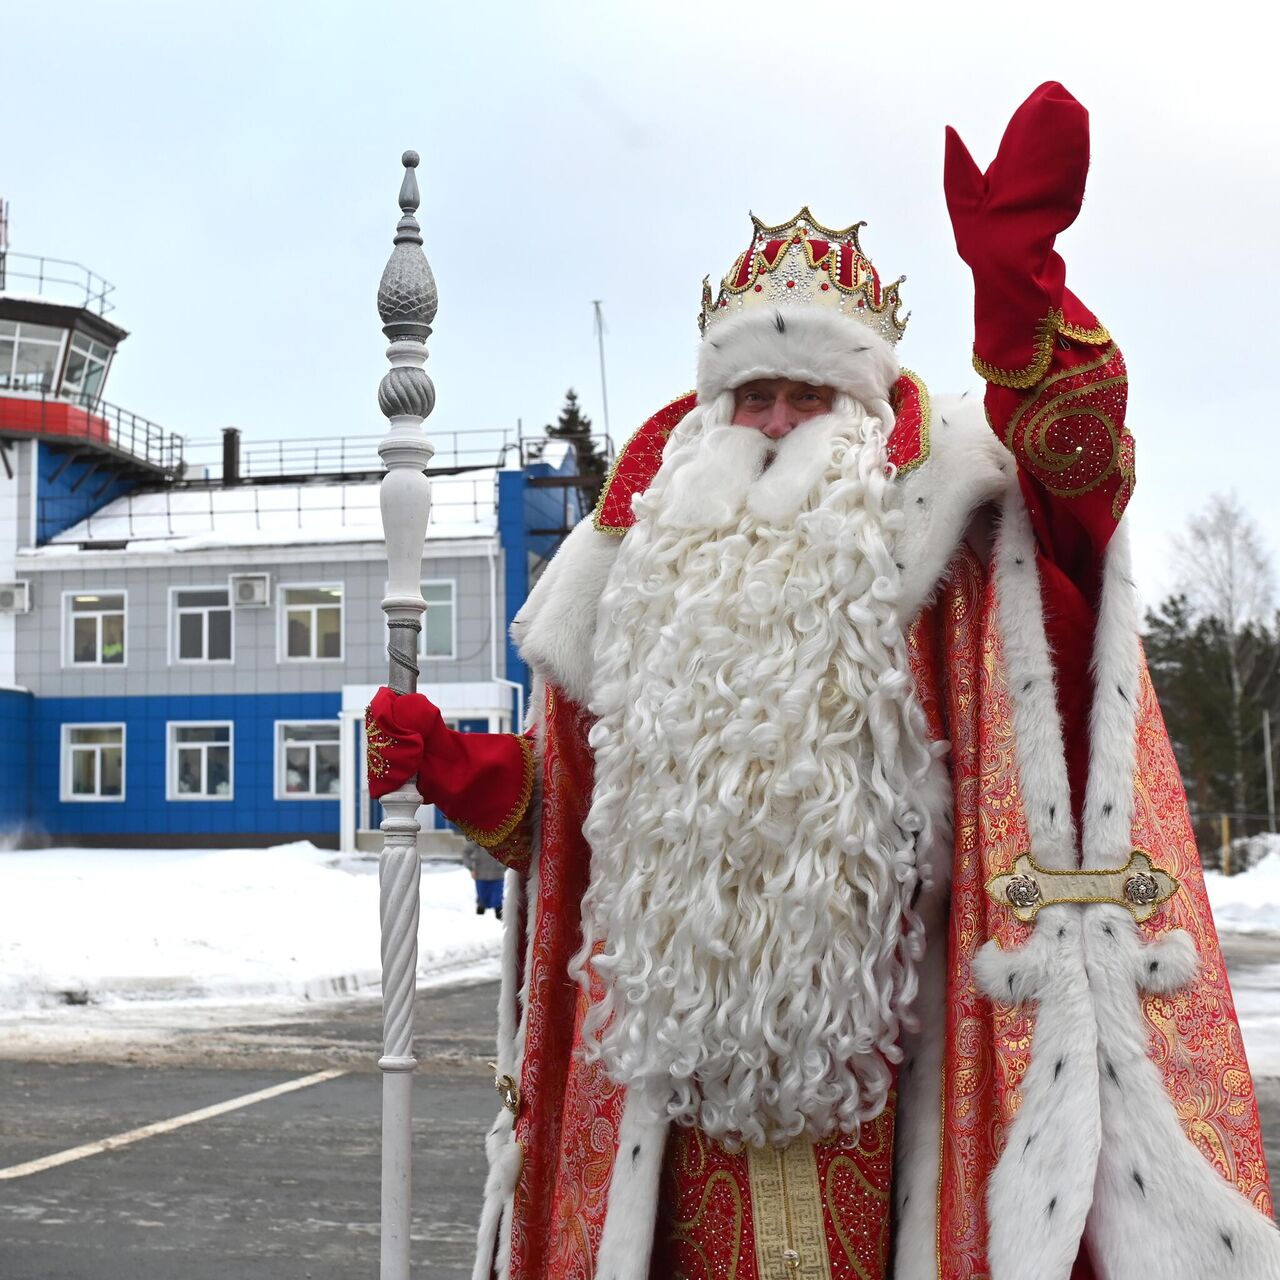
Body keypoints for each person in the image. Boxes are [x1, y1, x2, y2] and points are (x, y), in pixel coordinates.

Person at [366, 84, 1278, 1280]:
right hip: (675, 1101)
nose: (778, 424)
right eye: (753, 395)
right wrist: (457, 766)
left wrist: (1023, 319)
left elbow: (1077, 513)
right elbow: (570, 811)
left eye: (809, 397)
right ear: (712, 409)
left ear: (861, 412)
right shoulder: (640, 567)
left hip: (893, 1078)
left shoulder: (940, 540)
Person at [464, 837, 506, 919]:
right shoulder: (478, 835)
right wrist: (471, 868)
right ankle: (479, 921)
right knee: (482, 901)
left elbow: (511, 851)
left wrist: (505, 866)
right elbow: (466, 852)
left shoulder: (503, 834)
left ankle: (499, 922)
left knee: (498, 901)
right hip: (481, 874)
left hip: (497, 875)